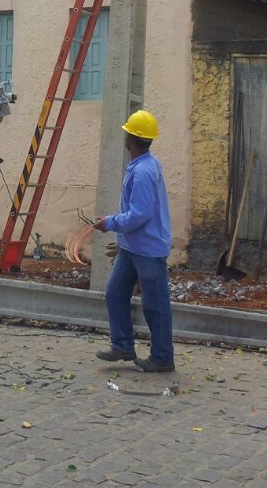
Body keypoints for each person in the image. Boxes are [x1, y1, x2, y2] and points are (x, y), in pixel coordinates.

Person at [93, 109, 175, 372]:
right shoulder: (147, 165)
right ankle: (123, 345)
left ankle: (162, 358)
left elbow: (140, 214)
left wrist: (109, 223)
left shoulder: (142, 172)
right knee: (115, 292)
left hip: (147, 249)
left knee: (155, 305)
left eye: (126, 131)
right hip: (132, 247)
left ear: (131, 136)